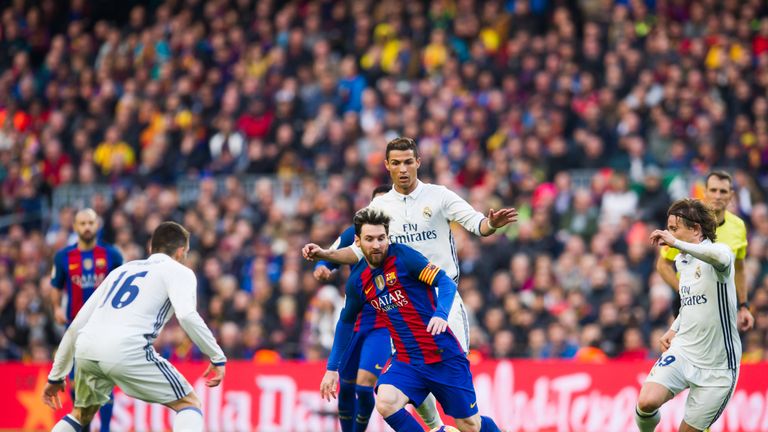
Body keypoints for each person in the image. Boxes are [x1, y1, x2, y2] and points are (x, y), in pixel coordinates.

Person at [305, 137, 516, 427]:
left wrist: (491, 224)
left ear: (418, 162)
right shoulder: (381, 207)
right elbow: (358, 246)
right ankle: (435, 428)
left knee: (465, 417)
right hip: (400, 304)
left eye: (408, 162)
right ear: (387, 166)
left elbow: (477, 224)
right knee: (396, 394)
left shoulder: (439, 196)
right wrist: (327, 256)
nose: (403, 169)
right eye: (396, 163)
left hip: (442, 297)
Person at [317, 207, 504, 432]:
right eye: (369, 239)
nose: (376, 245)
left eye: (381, 238)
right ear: (357, 241)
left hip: (442, 355)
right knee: (386, 400)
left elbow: (445, 282)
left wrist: (440, 314)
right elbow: (346, 322)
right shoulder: (358, 281)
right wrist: (332, 368)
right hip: (408, 360)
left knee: (470, 426)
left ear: (388, 237)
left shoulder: (404, 258)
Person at [42, 222, 227, 432]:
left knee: (81, 414)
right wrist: (216, 356)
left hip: (87, 347)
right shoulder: (180, 272)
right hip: (126, 349)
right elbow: (186, 315)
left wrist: (56, 376)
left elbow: (75, 326)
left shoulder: (121, 271)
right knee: (189, 403)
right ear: (181, 251)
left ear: (151, 249)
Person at [315, 185, 442, 431]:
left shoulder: (399, 243)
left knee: (365, 386)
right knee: (346, 385)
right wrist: (323, 265)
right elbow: (331, 252)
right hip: (355, 319)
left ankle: (434, 423)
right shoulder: (355, 234)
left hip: (384, 322)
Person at [636, 199, 740, 432]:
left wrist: (676, 243)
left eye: (674, 229)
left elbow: (718, 258)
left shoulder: (720, 253)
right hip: (685, 351)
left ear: (695, 229)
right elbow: (690, 301)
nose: (668, 234)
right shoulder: (682, 260)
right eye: (668, 229)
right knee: (646, 402)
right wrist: (674, 329)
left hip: (718, 367)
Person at [49, 208, 123, 431]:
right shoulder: (63, 257)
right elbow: (56, 286)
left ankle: (106, 428)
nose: (87, 227)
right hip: (76, 330)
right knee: (77, 385)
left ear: (97, 224)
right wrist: (55, 308)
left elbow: (123, 287)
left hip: (105, 329)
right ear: (75, 227)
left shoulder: (113, 255)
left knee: (106, 380)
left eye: (90, 222)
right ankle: (85, 427)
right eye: (82, 223)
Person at [656, 171, 754, 332]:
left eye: (723, 191)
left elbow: (740, 268)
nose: (717, 196)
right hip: (689, 302)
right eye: (713, 190)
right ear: (705, 192)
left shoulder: (738, 226)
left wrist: (744, 305)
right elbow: (662, 265)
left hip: (721, 303)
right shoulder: (687, 224)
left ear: (731, 195)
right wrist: (683, 292)